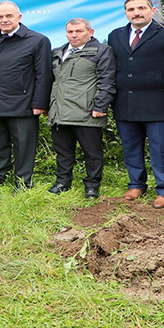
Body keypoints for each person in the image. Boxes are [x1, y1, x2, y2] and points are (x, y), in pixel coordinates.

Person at [107, 0, 164, 207]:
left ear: (153, 11)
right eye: (131, 9)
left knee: (162, 149)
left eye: (141, 8)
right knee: (131, 147)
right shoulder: (116, 35)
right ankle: (136, 185)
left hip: (160, 102)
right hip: (125, 102)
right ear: (125, 13)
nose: (136, 12)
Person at [0, 1, 52, 189]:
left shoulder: (37, 40)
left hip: (23, 104)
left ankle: (23, 181)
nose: (4, 20)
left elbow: (43, 75)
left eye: (8, 16)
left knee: (24, 145)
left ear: (19, 17)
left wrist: (40, 103)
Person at [48, 18, 116, 197]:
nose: (74, 35)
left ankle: (92, 185)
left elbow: (107, 80)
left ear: (90, 32)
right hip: (60, 111)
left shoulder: (102, 51)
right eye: (70, 32)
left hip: (87, 112)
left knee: (92, 153)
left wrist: (101, 105)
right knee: (63, 151)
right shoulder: (58, 52)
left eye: (79, 31)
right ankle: (63, 182)